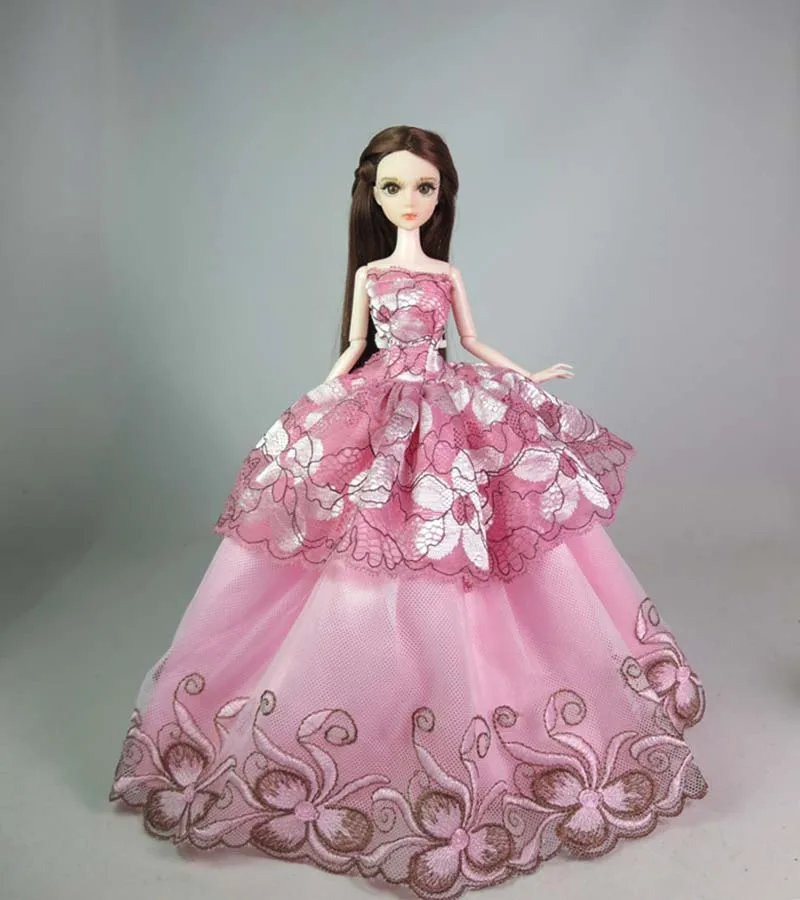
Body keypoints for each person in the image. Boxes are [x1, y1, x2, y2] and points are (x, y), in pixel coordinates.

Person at [109, 125, 707, 898]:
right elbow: (355, 345)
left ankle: (473, 692)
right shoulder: (370, 274)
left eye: (424, 187)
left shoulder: (445, 273)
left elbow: (474, 341)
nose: (410, 200)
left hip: (446, 407)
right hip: (378, 403)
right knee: (363, 535)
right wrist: (324, 395)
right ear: (373, 195)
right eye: (394, 187)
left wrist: (527, 374)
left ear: (441, 195)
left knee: (468, 533)